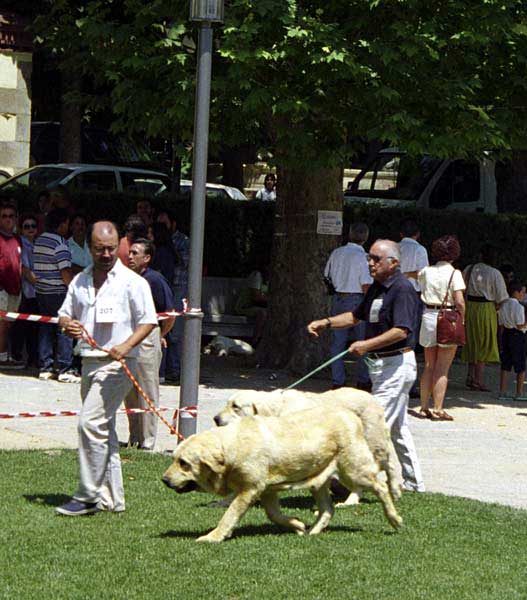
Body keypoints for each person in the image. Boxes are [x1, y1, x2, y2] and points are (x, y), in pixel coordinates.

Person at [56, 221, 158, 516]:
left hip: (120, 365)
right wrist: (68, 325)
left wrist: (126, 346)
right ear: (90, 248)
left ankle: (88, 496)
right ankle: (112, 500)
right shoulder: (80, 281)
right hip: (89, 361)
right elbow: (64, 315)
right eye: (100, 249)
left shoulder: (133, 283)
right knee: (106, 430)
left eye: (112, 249)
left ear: (119, 247)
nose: (106, 254)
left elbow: (149, 321)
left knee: (90, 423)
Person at [307, 239, 425, 493]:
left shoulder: (402, 289)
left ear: (393, 263)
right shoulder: (376, 287)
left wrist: (366, 344)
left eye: (376, 259)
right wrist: (325, 322)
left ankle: (351, 483)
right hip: (380, 366)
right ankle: (415, 484)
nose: (370, 263)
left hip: (396, 364)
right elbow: (354, 316)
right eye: (369, 258)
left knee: (373, 425)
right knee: (397, 429)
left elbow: (401, 330)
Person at [125, 238, 175, 449]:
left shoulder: (154, 280)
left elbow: (170, 314)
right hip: (128, 337)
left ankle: (147, 441)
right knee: (129, 391)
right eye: (129, 252)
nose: (130, 256)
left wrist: (159, 334)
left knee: (147, 389)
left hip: (148, 338)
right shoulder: (126, 279)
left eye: (135, 253)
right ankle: (134, 437)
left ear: (147, 258)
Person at [416, 235, 465, 421]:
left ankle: (423, 407)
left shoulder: (425, 271)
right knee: (442, 368)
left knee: (429, 365)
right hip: (448, 316)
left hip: (428, 315)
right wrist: (463, 318)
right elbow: (459, 301)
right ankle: (438, 408)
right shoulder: (455, 273)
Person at [323, 222, 372, 390]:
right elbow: (366, 284)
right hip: (357, 299)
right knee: (362, 340)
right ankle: (363, 379)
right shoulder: (364, 258)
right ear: (365, 237)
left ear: (350, 234)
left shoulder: (336, 253)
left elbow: (326, 276)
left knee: (337, 342)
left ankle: (338, 380)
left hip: (338, 298)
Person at [33, 208, 78, 382]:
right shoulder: (60, 243)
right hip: (58, 292)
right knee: (64, 328)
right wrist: (73, 289)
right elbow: (65, 271)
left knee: (45, 327)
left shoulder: (40, 240)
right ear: (62, 224)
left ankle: (46, 367)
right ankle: (65, 368)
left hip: (41, 291)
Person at [462, 244, 508, 391]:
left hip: (470, 307)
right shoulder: (494, 273)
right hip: (486, 308)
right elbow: (502, 297)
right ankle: (478, 380)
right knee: (484, 341)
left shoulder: (468, 269)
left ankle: (470, 375)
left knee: (471, 340)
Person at [10, 213, 39, 367]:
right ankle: (18, 356)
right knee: (21, 327)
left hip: (35, 293)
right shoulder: (21, 245)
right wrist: (38, 283)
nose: (30, 229)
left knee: (34, 328)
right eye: (26, 226)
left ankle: (32, 358)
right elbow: (25, 269)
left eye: (33, 226)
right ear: (21, 229)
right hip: (25, 291)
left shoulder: (38, 244)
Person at [165, 216, 190, 384]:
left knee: (175, 330)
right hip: (166, 285)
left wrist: (171, 248)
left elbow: (186, 263)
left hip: (179, 286)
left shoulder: (183, 241)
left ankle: (175, 368)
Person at [0, 201, 23, 368]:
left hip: (16, 289)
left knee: (8, 325)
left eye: (11, 216)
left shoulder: (17, 239)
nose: (8, 219)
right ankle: (2, 358)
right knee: (1, 326)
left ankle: (5, 355)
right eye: (4, 216)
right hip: (2, 290)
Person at [498, 281, 527, 400]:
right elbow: (520, 324)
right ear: (517, 292)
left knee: (506, 364)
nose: (523, 295)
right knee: (520, 364)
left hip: (506, 334)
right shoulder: (519, 306)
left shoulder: (503, 305)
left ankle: (502, 392)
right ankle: (519, 393)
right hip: (517, 335)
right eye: (523, 292)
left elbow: (501, 324)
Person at [235, 268, 269, 347]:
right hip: (245, 307)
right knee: (262, 313)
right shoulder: (257, 275)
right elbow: (256, 297)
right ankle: (255, 341)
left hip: (261, 306)